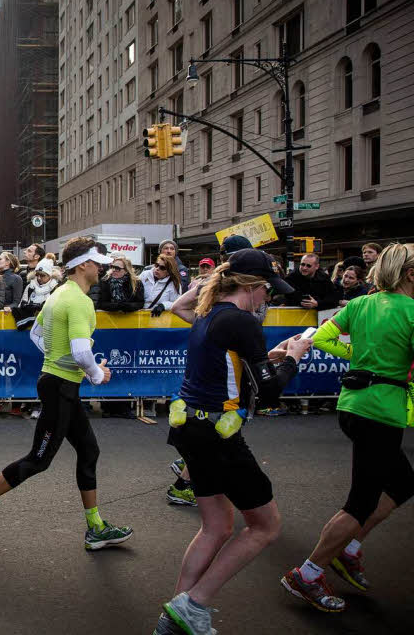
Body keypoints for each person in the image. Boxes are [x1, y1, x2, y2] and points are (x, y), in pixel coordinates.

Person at [153, 249, 308, 635]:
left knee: (217, 526)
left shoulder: (209, 313)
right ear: (251, 287)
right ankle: (195, 603)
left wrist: (268, 356)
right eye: (267, 291)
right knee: (265, 526)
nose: (268, 298)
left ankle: (177, 612)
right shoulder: (241, 321)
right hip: (216, 434)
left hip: (189, 425)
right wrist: (293, 358)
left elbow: (225, 359)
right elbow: (270, 393)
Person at [0, 237, 134, 551]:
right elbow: (81, 352)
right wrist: (96, 373)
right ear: (85, 265)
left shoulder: (58, 293)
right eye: (100, 263)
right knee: (38, 460)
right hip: (60, 387)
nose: (103, 269)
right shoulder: (78, 300)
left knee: (89, 451)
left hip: (60, 384)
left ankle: (95, 527)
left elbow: (38, 335)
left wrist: (60, 359)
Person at [280, 243, 414, 614]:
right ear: (411, 275)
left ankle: (349, 548)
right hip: (381, 410)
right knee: (361, 501)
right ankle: (307, 573)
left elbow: (320, 338)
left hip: (353, 405)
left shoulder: (360, 304)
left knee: (403, 483)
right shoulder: (413, 312)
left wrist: (359, 356)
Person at [13, 258, 58, 328]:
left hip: (49, 326)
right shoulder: (30, 286)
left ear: (50, 275)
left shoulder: (55, 288)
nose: (39, 278)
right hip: (29, 327)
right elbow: (22, 304)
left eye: (42, 275)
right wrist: (30, 307)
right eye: (37, 275)